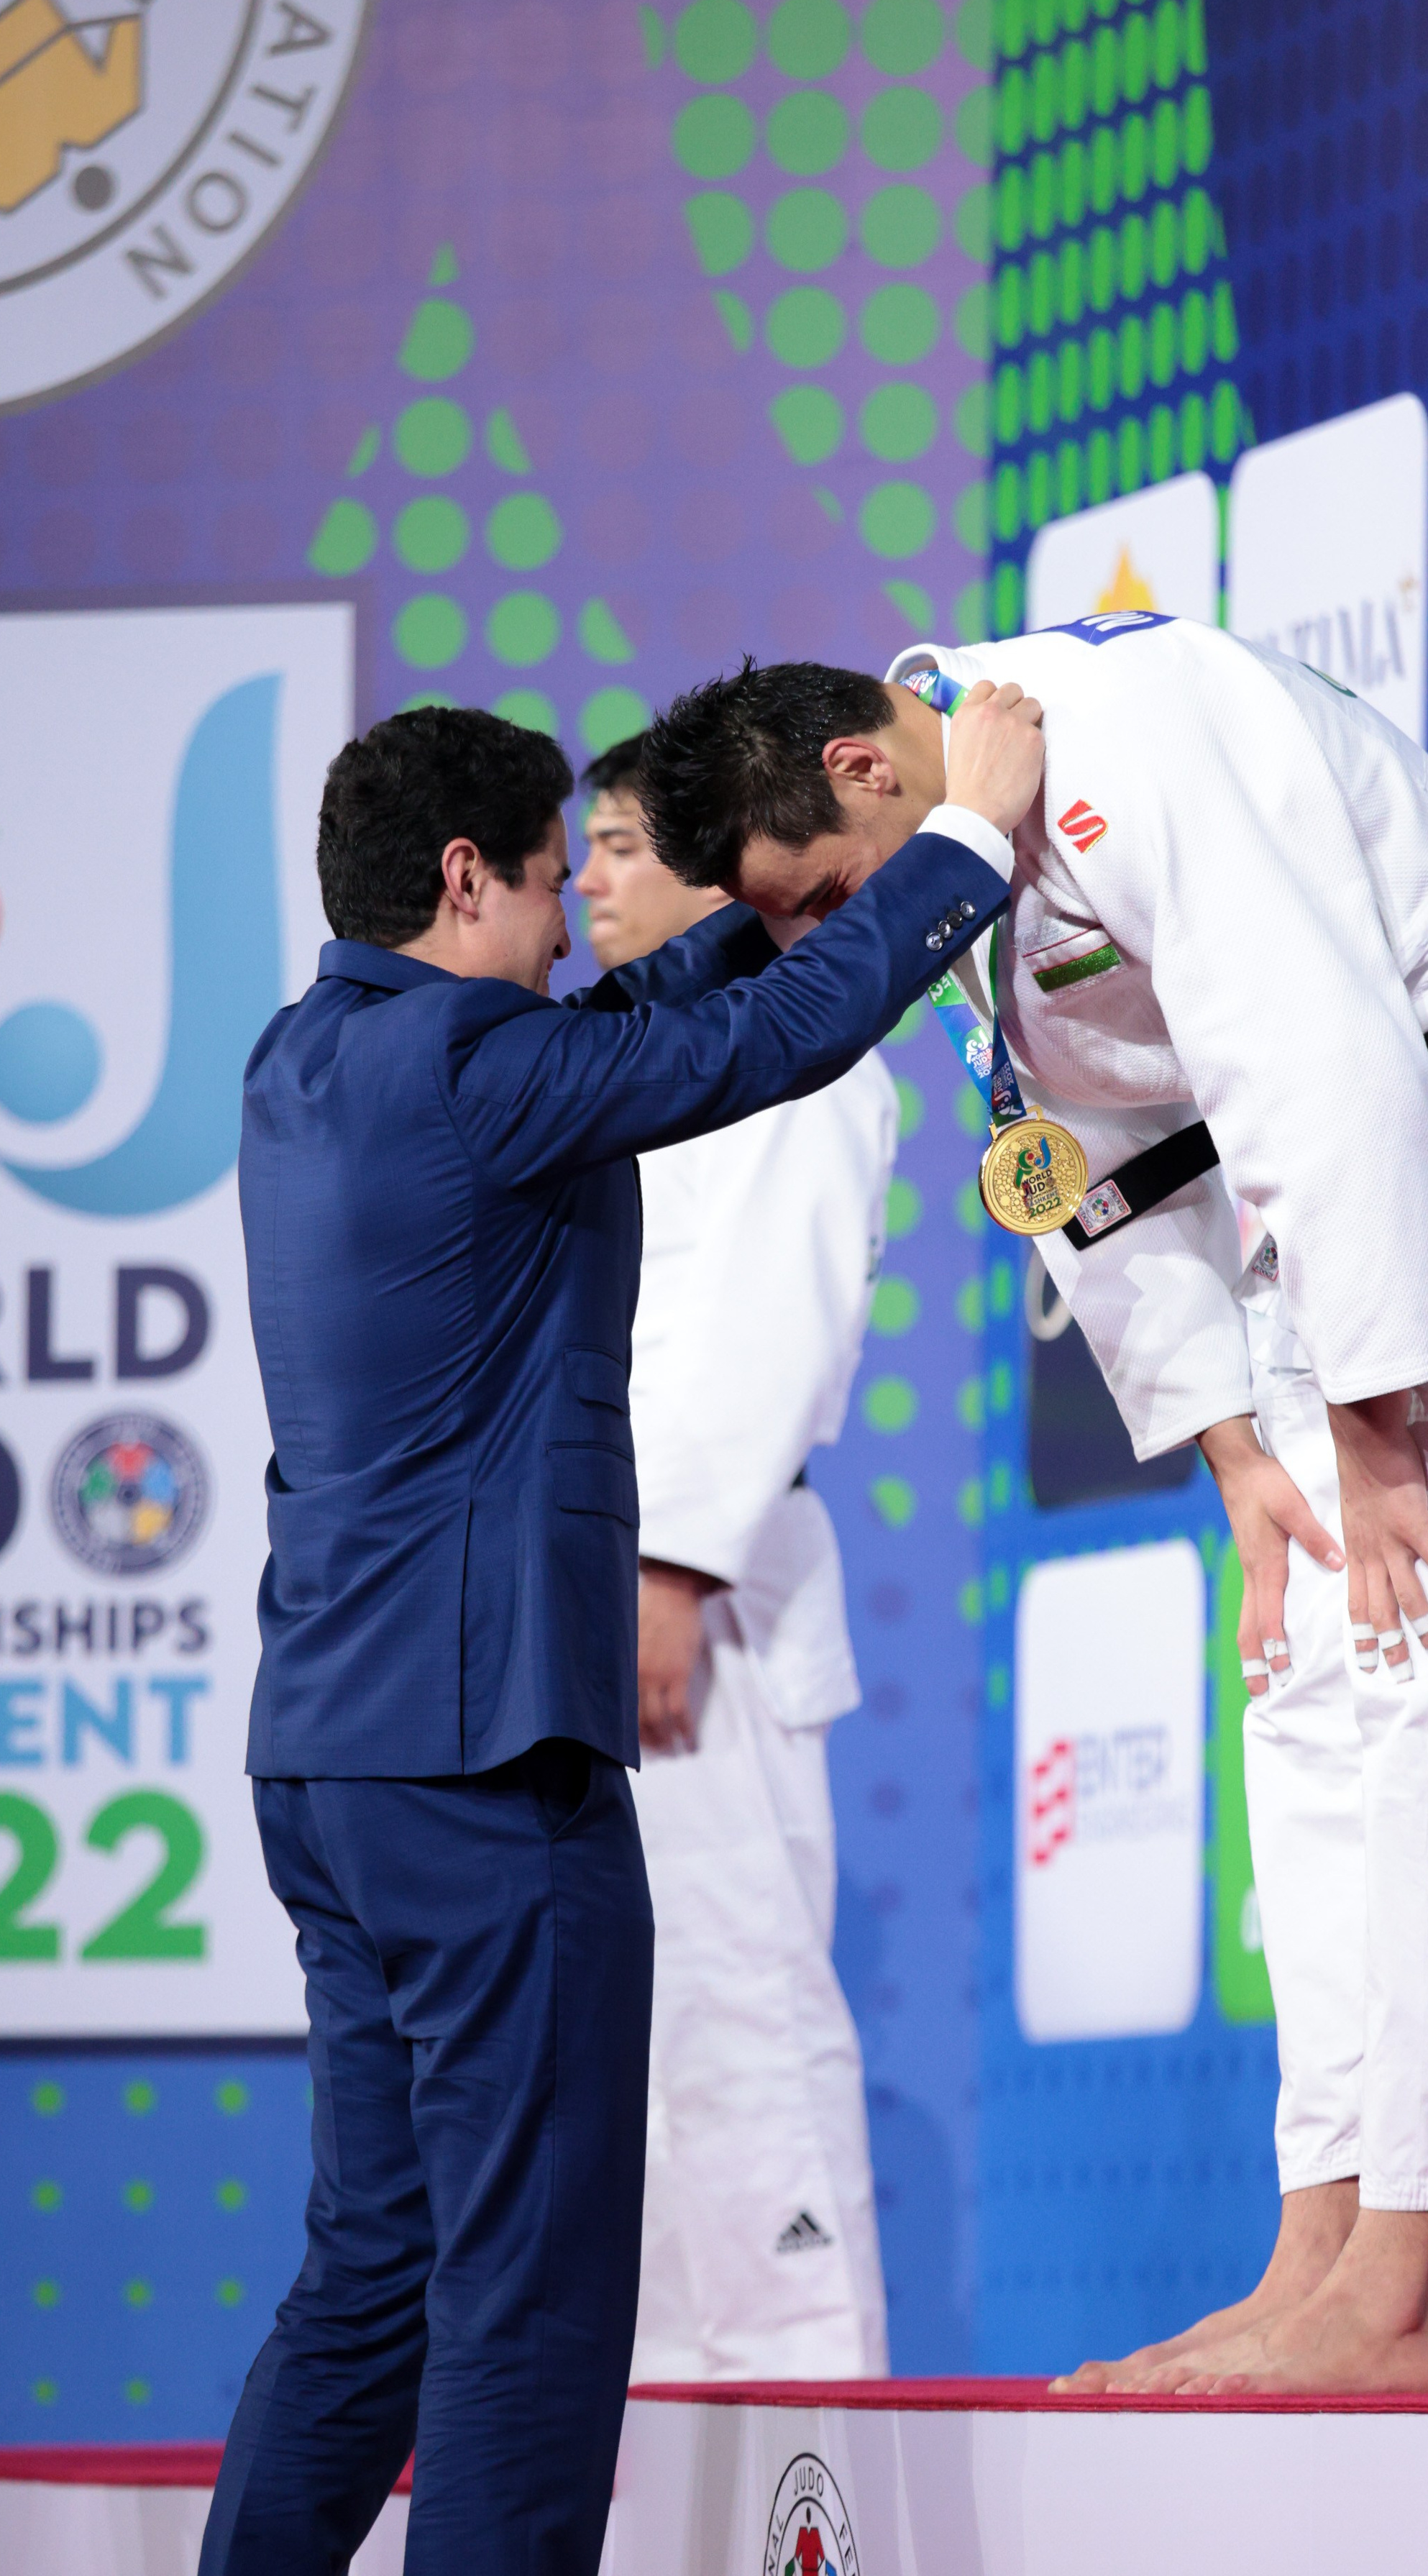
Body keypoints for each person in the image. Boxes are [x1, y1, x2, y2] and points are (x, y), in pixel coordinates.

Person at [635, 622, 1428, 2400]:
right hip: (1334, 1249)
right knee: (1302, 1704)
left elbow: (1319, 1063)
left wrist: (1369, 1434)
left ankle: (1399, 2294)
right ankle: (1314, 2251)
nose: (820, 945)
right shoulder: (967, 842)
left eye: (818, 899)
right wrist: (1236, 1456)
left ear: (859, 764)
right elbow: (1097, 1174)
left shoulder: (1126, 737)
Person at [200, 691, 1040, 2575]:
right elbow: (777, 1044)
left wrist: (770, 897)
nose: (579, 922)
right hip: (486, 1761)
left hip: (330, 1759)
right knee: (535, 2292)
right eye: (549, 885)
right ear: (462, 873)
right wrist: (961, 842)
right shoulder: (480, 1082)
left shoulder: (305, 1062)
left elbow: (633, 1026)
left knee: (375, 2266)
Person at [577, 739, 893, 2380]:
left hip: (701, 1607)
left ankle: (795, 2438)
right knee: (618, 2048)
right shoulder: (620, 1069)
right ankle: (653, 2424)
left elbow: (770, 1321)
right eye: (582, 849)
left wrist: (674, 1576)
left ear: (721, 870)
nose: (589, 880)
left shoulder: (808, 1060)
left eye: (625, 844)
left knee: (734, 1998)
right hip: (591, 1598)